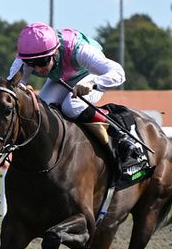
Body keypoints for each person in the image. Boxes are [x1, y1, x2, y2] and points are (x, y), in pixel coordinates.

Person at [9, 22, 147, 179]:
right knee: (42, 109)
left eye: (42, 62)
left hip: (90, 75)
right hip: (63, 77)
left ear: (54, 53)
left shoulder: (78, 49)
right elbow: (11, 85)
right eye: (32, 64)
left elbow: (119, 73)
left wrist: (92, 83)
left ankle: (121, 134)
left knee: (72, 106)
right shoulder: (26, 57)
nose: (39, 69)